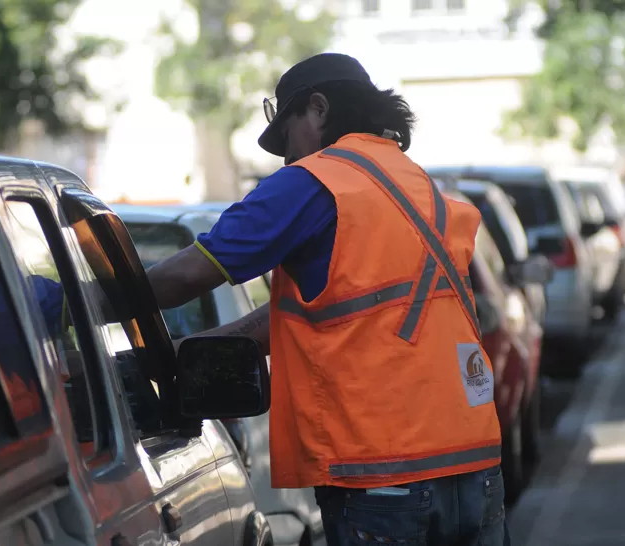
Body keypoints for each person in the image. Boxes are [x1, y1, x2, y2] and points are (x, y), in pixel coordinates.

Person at [146, 53, 508, 545]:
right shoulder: (419, 185)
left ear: (317, 109)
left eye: (288, 138)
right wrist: (183, 353)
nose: (289, 159)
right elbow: (339, 315)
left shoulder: (315, 182)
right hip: (474, 466)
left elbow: (185, 276)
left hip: (382, 477)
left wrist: (70, 303)